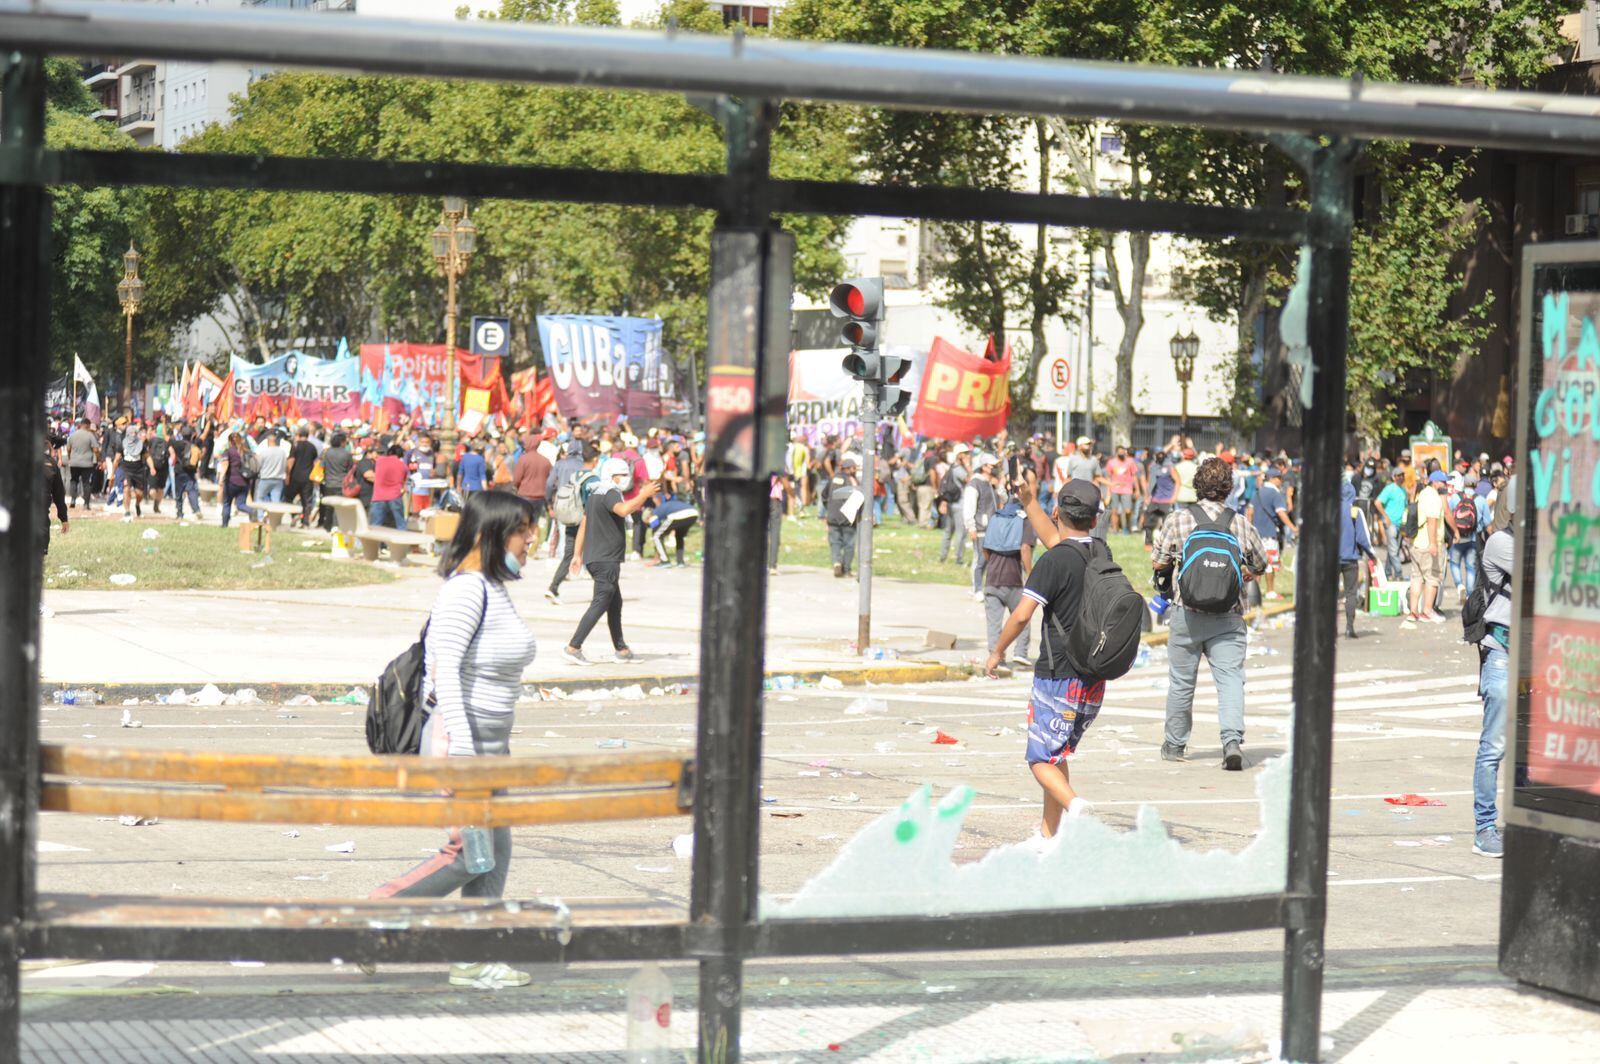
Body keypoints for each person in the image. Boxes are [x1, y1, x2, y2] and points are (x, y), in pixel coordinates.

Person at [367, 490, 539, 989]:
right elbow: (445, 678)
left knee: (494, 854)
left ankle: (474, 957)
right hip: (463, 746)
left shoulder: (492, 585)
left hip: (489, 747)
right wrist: (464, 755)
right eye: (523, 529)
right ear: (491, 534)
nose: (531, 539)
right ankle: (373, 917)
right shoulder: (466, 592)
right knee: (471, 853)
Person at [984, 480, 1106, 843]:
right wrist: (1030, 501)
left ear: (1058, 513)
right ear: (1095, 519)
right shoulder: (1099, 551)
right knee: (1057, 754)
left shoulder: (1053, 561)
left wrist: (997, 651)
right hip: (1093, 679)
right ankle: (1047, 836)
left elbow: (1022, 615)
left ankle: (1076, 807)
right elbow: (1059, 542)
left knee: (1040, 759)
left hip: (1058, 677)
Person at [1152, 457, 1268, 769]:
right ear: (1229, 488)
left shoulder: (1179, 519)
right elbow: (1260, 563)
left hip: (1186, 613)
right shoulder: (1240, 523)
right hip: (1228, 615)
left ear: (1197, 486)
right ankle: (1231, 742)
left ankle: (1175, 744)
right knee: (1230, 679)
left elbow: (1158, 560)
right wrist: (1242, 574)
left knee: (1181, 681)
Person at [562, 457, 660, 665]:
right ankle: (573, 647)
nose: (626, 479)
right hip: (605, 559)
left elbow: (584, 525)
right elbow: (623, 510)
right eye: (623, 475)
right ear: (612, 476)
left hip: (595, 557)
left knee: (614, 603)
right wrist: (644, 495)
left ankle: (621, 650)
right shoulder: (610, 492)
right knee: (600, 602)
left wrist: (577, 555)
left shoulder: (595, 493)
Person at [1472, 476, 1514, 859]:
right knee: (1494, 746)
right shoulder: (1503, 543)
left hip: (1533, 658)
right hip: (1502, 652)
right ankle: (1484, 826)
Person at [980, 491, 1036, 669]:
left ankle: (997, 657)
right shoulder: (1024, 520)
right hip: (1014, 580)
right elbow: (1025, 548)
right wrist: (1030, 573)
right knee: (1022, 618)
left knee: (994, 623)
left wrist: (993, 564)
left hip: (992, 580)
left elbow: (985, 549)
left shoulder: (995, 518)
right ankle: (1020, 652)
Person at [1338, 478, 1379, 639]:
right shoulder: (1355, 511)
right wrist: (1372, 555)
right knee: (1350, 594)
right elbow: (1363, 538)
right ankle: (1349, 628)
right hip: (1350, 559)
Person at [1408, 470, 1448, 624]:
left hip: (1417, 542)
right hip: (1428, 544)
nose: (1445, 485)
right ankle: (1427, 611)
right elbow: (1432, 520)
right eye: (1443, 482)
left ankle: (1413, 612)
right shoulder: (1433, 497)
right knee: (1432, 578)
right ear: (1436, 482)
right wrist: (1433, 544)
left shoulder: (1423, 493)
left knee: (1416, 577)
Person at [1247, 467, 1292, 600]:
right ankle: (1270, 591)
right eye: (1279, 478)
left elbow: (1250, 512)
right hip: (1269, 533)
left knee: (1256, 563)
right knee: (1270, 563)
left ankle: (1253, 591)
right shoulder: (1275, 494)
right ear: (1272, 479)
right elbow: (1281, 513)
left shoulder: (1258, 492)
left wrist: (1249, 529)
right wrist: (1292, 527)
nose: (1280, 481)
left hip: (1256, 534)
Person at [961, 453, 1000, 600]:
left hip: (993, 527)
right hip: (981, 528)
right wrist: (971, 526)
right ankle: (976, 588)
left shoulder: (992, 483)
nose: (995, 468)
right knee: (980, 560)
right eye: (992, 466)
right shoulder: (975, 483)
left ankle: (987, 587)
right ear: (984, 467)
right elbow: (969, 507)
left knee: (992, 560)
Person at [822, 452, 865, 578]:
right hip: (848, 518)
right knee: (849, 544)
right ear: (849, 469)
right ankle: (846, 569)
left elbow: (824, 496)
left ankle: (836, 562)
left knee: (834, 542)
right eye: (854, 468)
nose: (855, 470)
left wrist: (829, 508)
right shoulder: (852, 481)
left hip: (833, 517)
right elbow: (859, 498)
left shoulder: (832, 479)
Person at [512, 431, 553, 530]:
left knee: (522, 522)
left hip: (525, 496)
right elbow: (550, 480)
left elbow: (516, 479)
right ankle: (532, 541)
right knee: (534, 521)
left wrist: (517, 488)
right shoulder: (546, 461)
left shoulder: (523, 459)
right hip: (540, 497)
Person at [219, 432, 258, 528]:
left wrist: (221, 478)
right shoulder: (247, 451)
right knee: (240, 504)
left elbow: (225, 465)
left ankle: (224, 524)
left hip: (231, 481)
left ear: (229, 441)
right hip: (245, 482)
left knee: (227, 503)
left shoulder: (228, 451)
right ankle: (250, 510)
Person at [1376, 467, 1408, 583]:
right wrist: (1385, 517)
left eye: (1402, 475)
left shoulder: (1403, 490)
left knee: (1392, 550)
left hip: (1400, 524)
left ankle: (1387, 573)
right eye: (1398, 475)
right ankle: (1399, 574)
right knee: (1394, 551)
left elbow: (1405, 507)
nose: (1401, 477)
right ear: (1394, 477)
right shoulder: (1389, 489)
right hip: (1391, 524)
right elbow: (1378, 502)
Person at [649, 494, 700, 567]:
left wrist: (656, 557)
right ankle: (680, 562)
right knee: (679, 536)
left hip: (677, 514)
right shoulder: (667, 505)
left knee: (657, 536)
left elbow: (655, 529)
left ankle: (665, 561)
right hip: (693, 513)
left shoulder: (654, 512)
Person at [368, 444, 409, 530]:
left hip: (379, 496)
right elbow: (404, 485)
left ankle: (374, 543)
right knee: (400, 524)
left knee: (375, 525)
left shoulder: (380, 461)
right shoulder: (403, 466)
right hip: (395, 496)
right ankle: (402, 542)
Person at [317, 432, 353, 531]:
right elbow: (350, 469)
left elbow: (321, 466)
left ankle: (327, 525)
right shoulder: (347, 454)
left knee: (329, 506)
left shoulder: (326, 452)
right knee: (339, 506)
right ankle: (336, 526)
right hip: (341, 483)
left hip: (328, 483)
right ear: (342, 442)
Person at [118, 423, 154, 522]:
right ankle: (127, 511)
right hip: (126, 469)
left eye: (135, 433)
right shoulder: (122, 444)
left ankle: (137, 504)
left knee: (139, 494)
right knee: (126, 489)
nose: (133, 435)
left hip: (138, 470)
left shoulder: (141, 445)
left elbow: (147, 456)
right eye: (131, 433)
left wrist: (152, 467)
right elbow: (117, 458)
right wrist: (112, 473)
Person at [286, 426, 319, 528]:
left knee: (288, 498)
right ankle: (305, 522)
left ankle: (294, 515)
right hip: (307, 478)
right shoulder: (312, 447)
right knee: (307, 501)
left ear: (299, 435)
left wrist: (287, 475)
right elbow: (315, 463)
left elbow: (291, 461)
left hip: (295, 477)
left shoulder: (295, 446)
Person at [168, 427, 203, 521]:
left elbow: (167, 439)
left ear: (182, 435)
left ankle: (179, 513)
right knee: (191, 491)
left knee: (179, 494)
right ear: (191, 435)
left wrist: (164, 424)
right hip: (190, 471)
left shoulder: (177, 444)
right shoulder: (194, 445)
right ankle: (196, 510)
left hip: (179, 471)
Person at [63, 417, 99, 508]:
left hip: (74, 462)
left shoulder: (73, 435)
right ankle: (86, 503)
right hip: (87, 463)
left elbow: (68, 448)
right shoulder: (90, 435)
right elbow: (96, 449)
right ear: (87, 425)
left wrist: (70, 457)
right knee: (86, 482)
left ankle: (73, 500)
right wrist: (97, 458)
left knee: (74, 481)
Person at [1104, 445, 1140, 534]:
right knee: (1114, 511)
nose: (1121, 453)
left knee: (1128, 510)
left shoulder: (1130, 462)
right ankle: (1115, 529)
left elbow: (1134, 476)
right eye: (1119, 451)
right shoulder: (1111, 462)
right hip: (1114, 489)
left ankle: (1127, 527)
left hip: (1127, 489)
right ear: (1116, 452)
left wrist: (1137, 489)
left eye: (1123, 451)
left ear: (1125, 452)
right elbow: (1108, 477)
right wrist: (1108, 492)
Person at [255, 430, 290, 504]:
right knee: (276, 500)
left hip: (265, 478)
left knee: (260, 498)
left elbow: (258, 465)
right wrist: (287, 476)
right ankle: (274, 515)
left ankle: (261, 515)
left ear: (268, 441)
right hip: (278, 479)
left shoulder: (264, 452)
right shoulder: (282, 452)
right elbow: (286, 465)